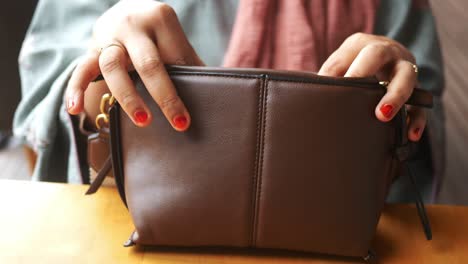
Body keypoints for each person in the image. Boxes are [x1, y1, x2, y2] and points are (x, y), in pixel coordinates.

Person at [14, 0, 444, 203]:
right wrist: (103, 73)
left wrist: (400, 101)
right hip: (125, 223)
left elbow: (422, 144)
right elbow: (43, 109)